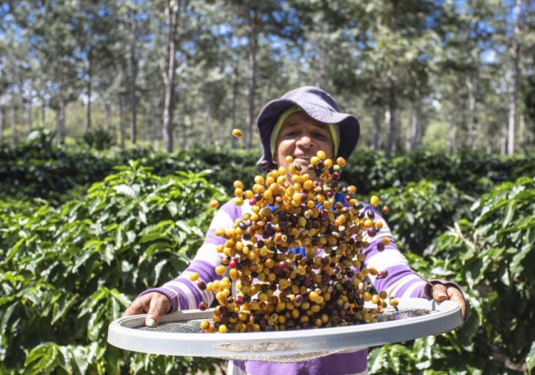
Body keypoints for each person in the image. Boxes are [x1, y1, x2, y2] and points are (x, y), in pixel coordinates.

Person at [123, 86, 467, 375]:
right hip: (256, 365)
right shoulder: (239, 212)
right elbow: (203, 274)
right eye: (291, 133)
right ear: (274, 153)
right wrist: (167, 296)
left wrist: (428, 292)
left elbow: (392, 274)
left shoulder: (358, 217)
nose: (305, 142)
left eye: (319, 135)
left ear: (333, 157)